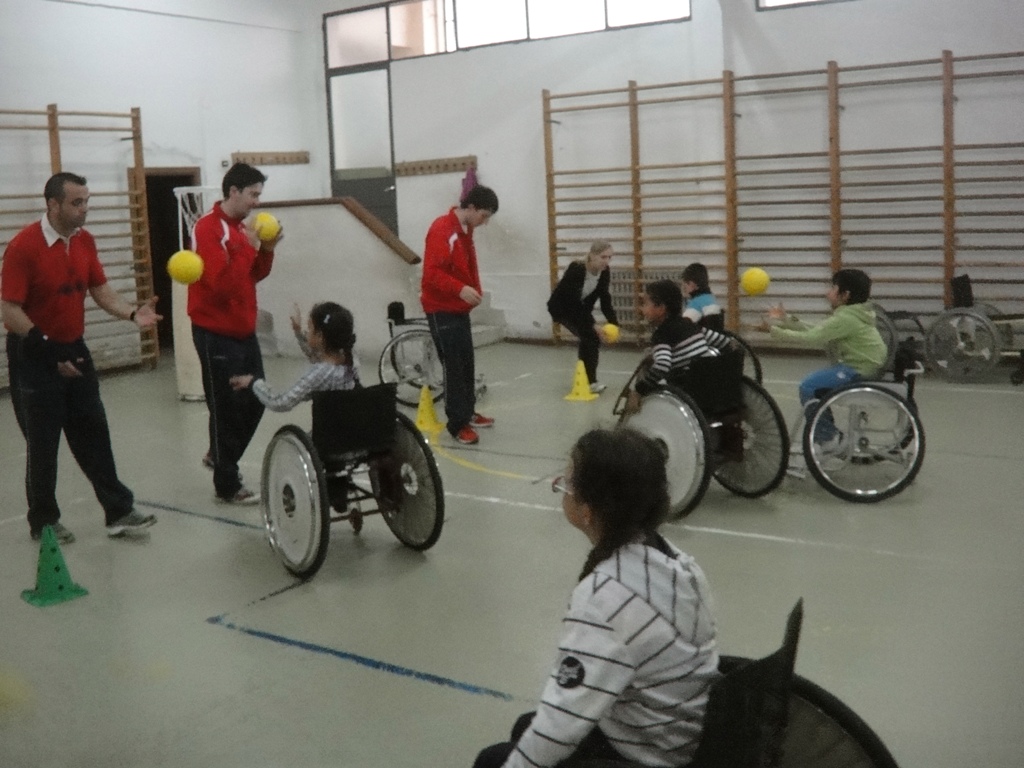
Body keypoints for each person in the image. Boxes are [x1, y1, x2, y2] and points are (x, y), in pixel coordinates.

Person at [472, 428, 719, 768]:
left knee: (493, 760)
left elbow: (561, 724)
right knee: (524, 727)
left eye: (568, 482)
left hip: (652, 752)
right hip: (680, 732)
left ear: (588, 510)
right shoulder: (675, 561)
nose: (560, 486)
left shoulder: (605, 598)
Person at [1, 172, 161, 543]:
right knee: (43, 443)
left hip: (75, 347)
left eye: (87, 201)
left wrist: (132, 313)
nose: (84, 209)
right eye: (77, 202)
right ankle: (44, 520)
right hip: (34, 351)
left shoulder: (85, 240)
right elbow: (9, 310)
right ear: (52, 204)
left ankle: (119, 511)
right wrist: (46, 347)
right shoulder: (24, 246)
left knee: (93, 432)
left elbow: (100, 288)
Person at [190, 162, 283, 503]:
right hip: (216, 333)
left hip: (243, 330)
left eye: (260, 194)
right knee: (226, 408)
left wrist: (267, 249)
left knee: (257, 397)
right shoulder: (209, 229)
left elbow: (252, 275)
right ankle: (227, 483)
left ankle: (219, 454)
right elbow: (220, 285)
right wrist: (248, 244)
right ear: (233, 192)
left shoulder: (240, 229)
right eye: (253, 194)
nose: (257, 202)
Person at [764, 268, 887, 449]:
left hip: (858, 370)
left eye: (832, 289)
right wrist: (786, 319)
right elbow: (818, 330)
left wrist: (774, 331)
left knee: (809, 386)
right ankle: (828, 433)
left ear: (845, 295)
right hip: (865, 366)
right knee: (815, 385)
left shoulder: (846, 318)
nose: (827, 293)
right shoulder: (854, 313)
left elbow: (812, 338)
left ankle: (828, 437)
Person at [420, 184, 499, 446]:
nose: (484, 222)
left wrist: (472, 290)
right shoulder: (442, 229)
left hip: (458, 309)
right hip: (441, 310)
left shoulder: (465, 230)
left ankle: (468, 412)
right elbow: (432, 273)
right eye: (484, 216)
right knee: (453, 367)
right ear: (472, 208)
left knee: (466, 363)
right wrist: (461, 288)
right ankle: (457, 424)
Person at [230, 302, 359, 409]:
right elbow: (317, 356)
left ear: (319, 336)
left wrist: (254, 383)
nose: (307, 331)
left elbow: (280, 403)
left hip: (326, 433)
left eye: (310, 328)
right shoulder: (350, 358)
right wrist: (298, 332)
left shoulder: (319, 373)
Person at [634, 279, 732, 397]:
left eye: (645, 304)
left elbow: (663, 365)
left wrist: (639, 390)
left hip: (689, 389)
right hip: (714, 384)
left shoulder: (661, 335)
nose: (642, 309)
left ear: (661, 308)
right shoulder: (690, 324)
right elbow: (725, 342)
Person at [546, 240, 618, 393]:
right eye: (603, 257)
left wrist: (614, 323)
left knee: (590, 338)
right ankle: (590, 381)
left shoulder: (605, 272)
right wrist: (593, 324)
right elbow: (571, 302)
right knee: (591, 336)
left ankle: (588, 379)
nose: (607, 261)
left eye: (609, 257)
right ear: (592, 256)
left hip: (580, 309)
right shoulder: (577, 269)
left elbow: (605, 298)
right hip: (562, 308)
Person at [681, 262, 724, 332]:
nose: (684, 287)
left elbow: (684, 328)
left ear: (692, 284)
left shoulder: (696, 304)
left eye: (686, 284)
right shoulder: (711, 299)